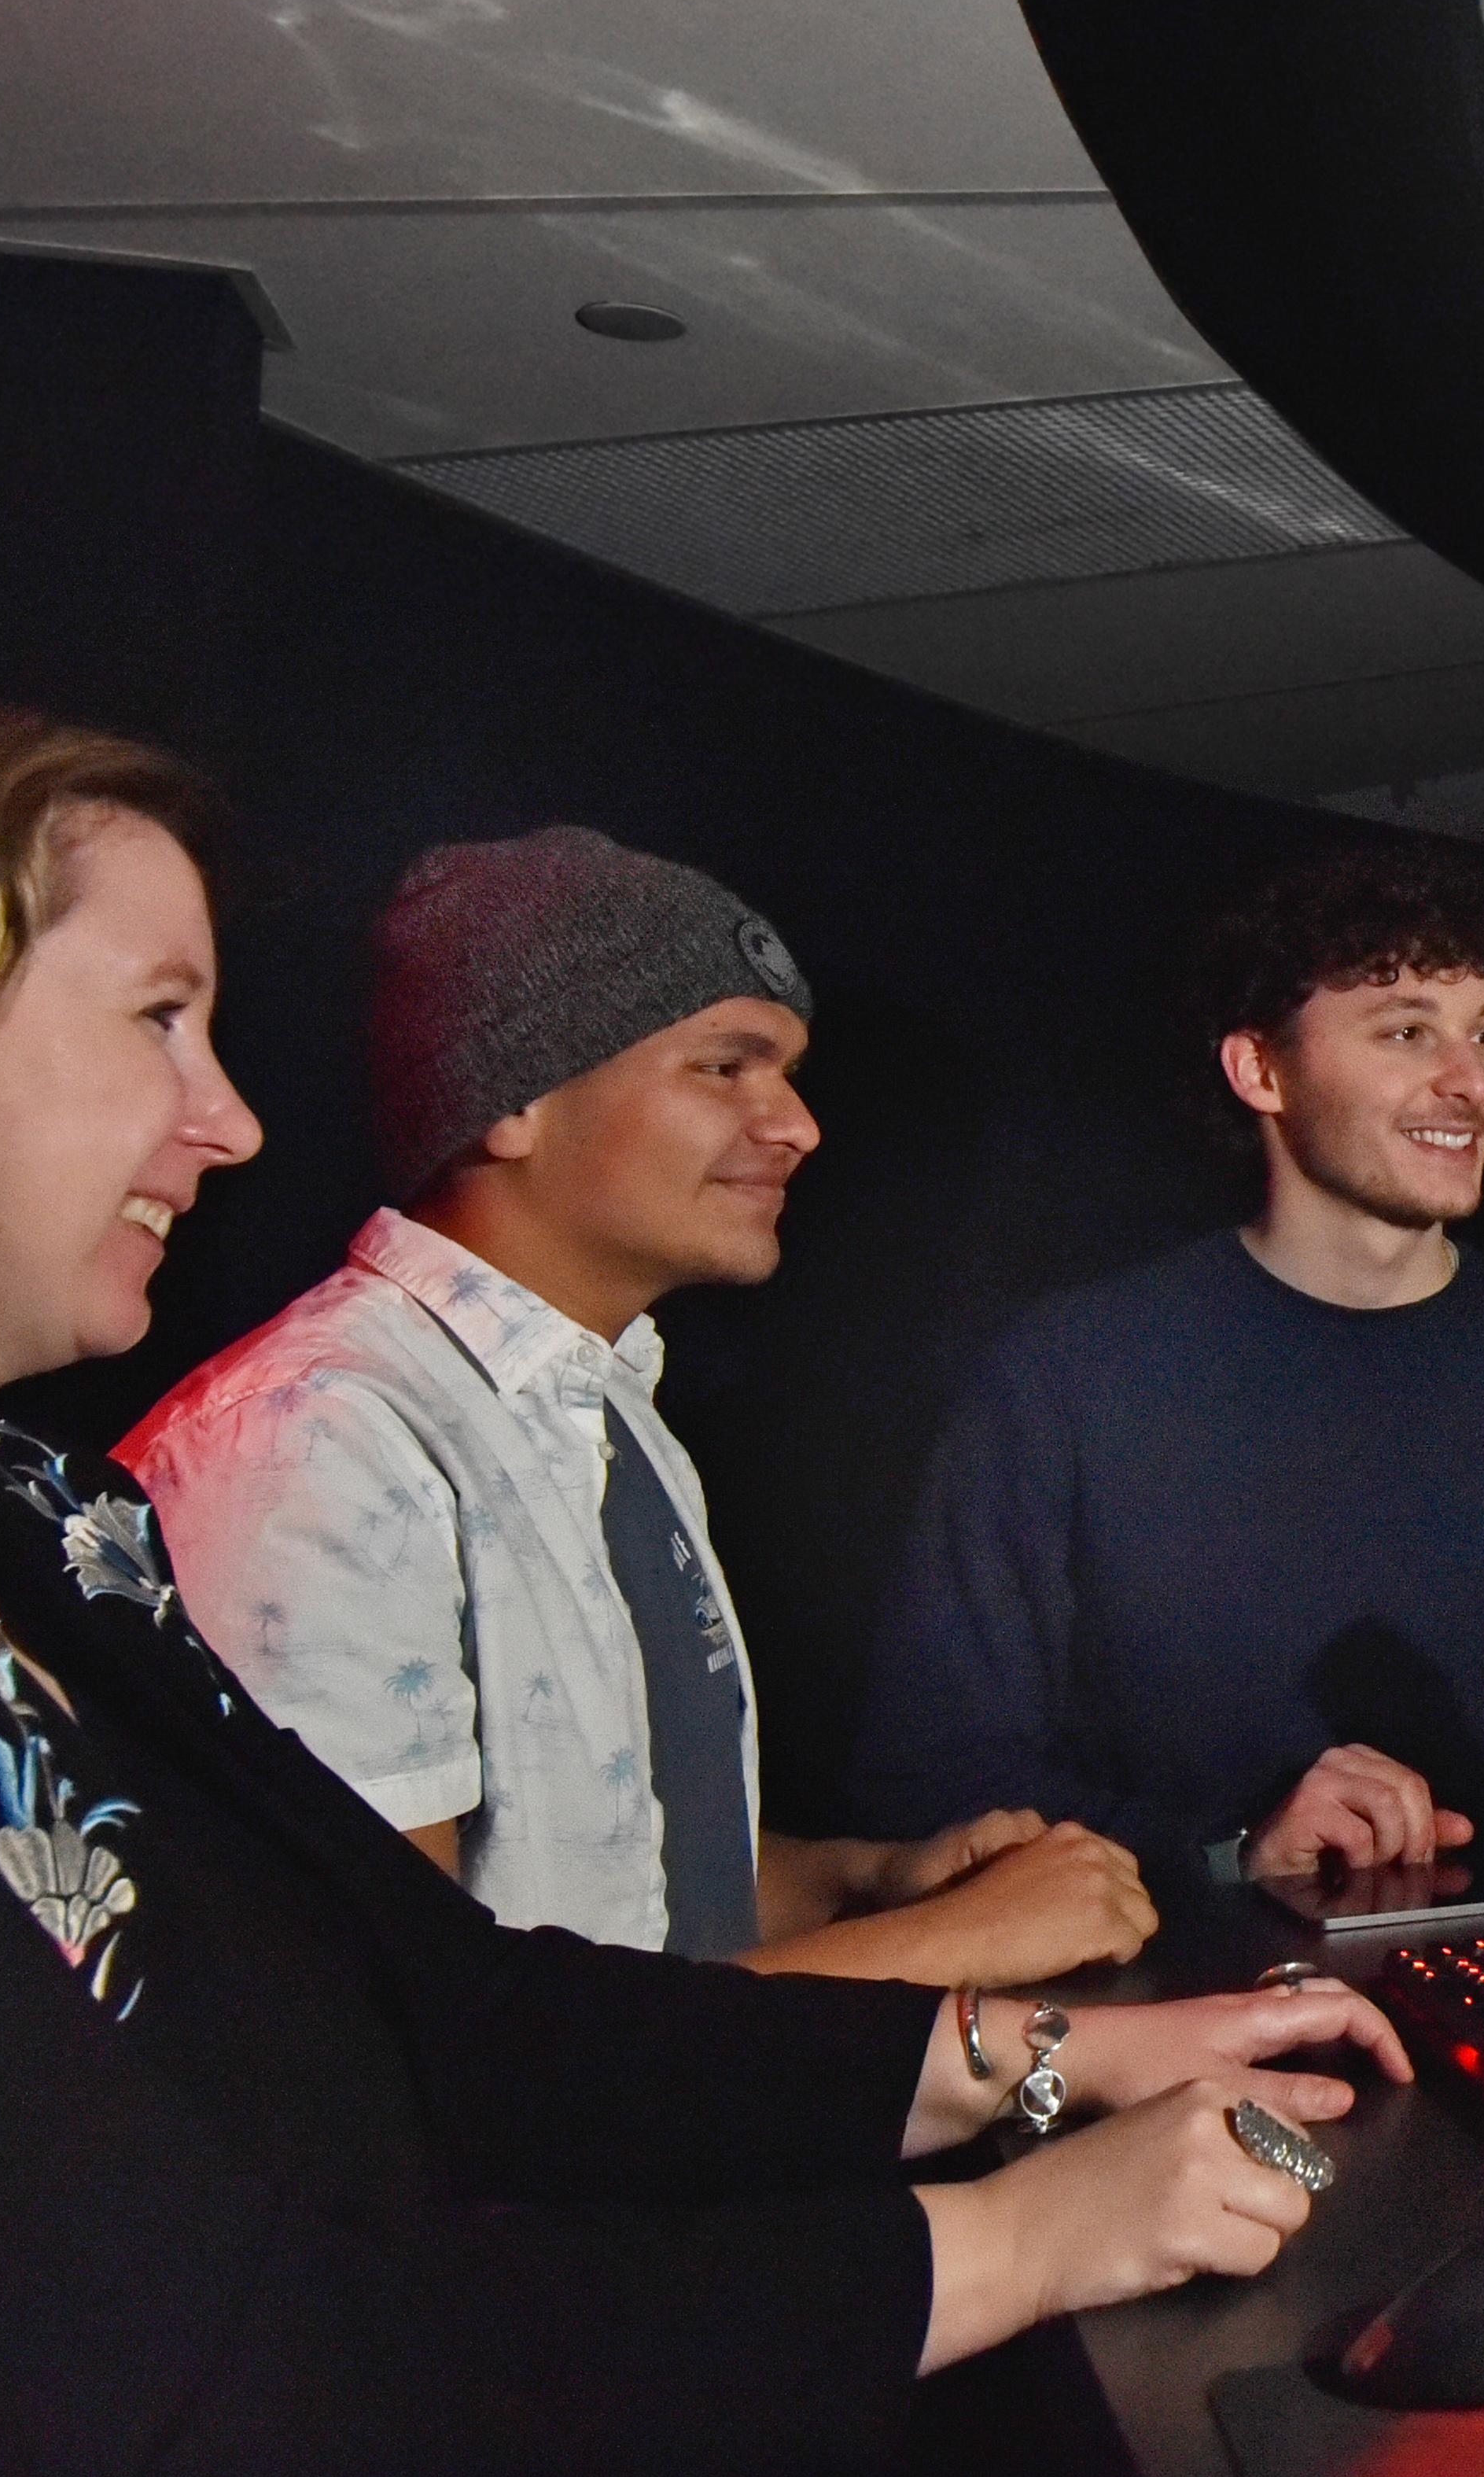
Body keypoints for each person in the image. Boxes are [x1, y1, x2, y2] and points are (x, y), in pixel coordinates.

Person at [0, 681, 1397, 2477]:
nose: (230, 1116)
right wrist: (1025, 2232)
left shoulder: (32, 1520)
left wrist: (1043, 2053)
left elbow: (443, 2001)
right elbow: (193, 2374)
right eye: (157, 1017)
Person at [123, 825, 1151, 1986]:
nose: (797, 1126)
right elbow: (388, 2023)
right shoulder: (315, 1438)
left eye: (791, 1075)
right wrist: (937, 1951)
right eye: (726, 1066)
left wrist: (870, 1883)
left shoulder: (609, 1418)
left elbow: (620, 1895)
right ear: (510, 1098)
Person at [854, 839, 1484, 1881]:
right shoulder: (1068, 1374)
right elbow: (924, 1779)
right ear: (1260, 1069)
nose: (1470, 1083)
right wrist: (1231, 1850)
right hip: (1185, 2009)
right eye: (1408, 1032)